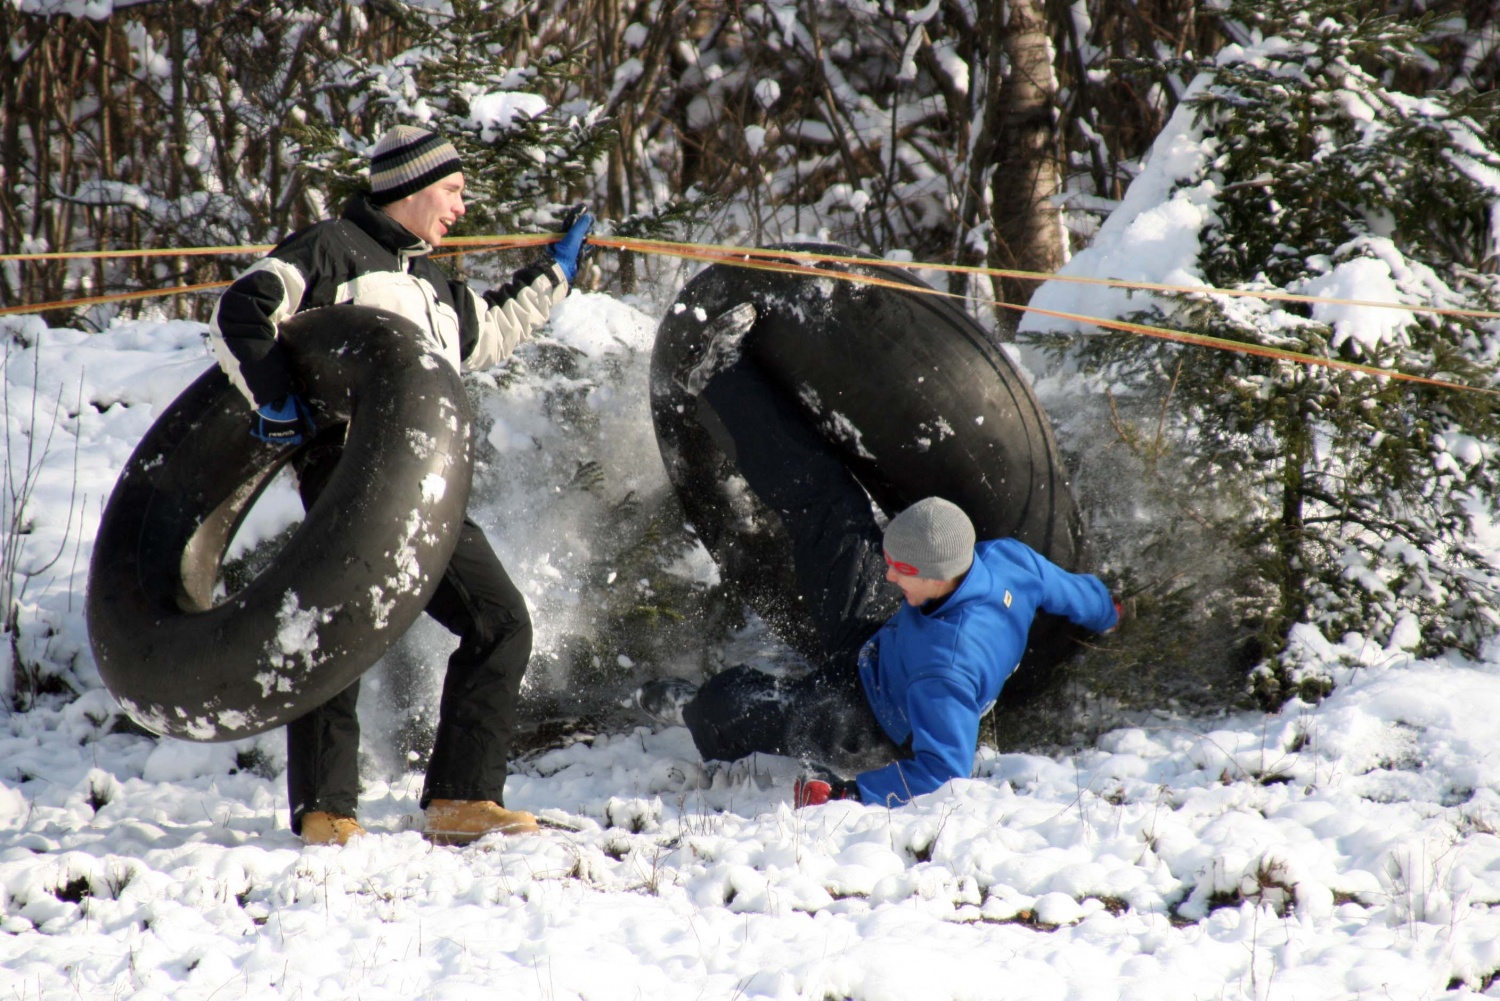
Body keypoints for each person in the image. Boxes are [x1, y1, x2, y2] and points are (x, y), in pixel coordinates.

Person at [209, 125, 594, 845]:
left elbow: (493, 332)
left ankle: (461, 799)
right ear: (412, 188)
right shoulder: (331, 251)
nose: (462, 206)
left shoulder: (436, 284)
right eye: (452, 190)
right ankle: (327, 809)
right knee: (339, 632)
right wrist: (276, 398)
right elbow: (242, 309)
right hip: (349, 472)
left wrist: (557, 272)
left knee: (501, 620)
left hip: (427, 490)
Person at [637, 319, 1120, 808]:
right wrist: (1109, 611)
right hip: (882, 643)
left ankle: (691, 709)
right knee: (832, 510)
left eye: (901, 570)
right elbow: (1075, 593)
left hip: (869, 716)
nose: (889, 574)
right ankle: (722, 374)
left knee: (740, 707)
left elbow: (943, 773)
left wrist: (852, 791)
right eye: (892, 563)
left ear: (937, 576)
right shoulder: (1009, 561)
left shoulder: (944, 672)